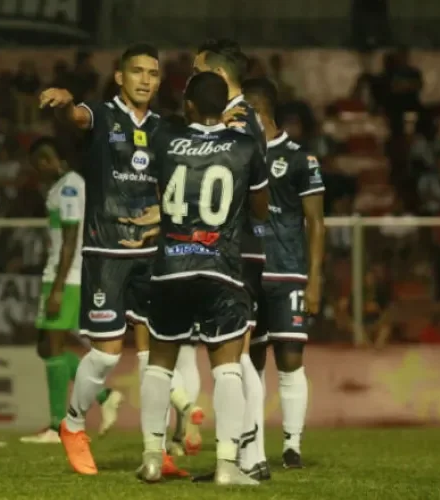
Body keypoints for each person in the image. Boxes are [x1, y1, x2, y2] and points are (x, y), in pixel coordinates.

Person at [38, 43, 187, 477]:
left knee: (153, 356)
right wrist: (65, 104)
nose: (145, 79)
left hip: (153, 252)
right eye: (137, 71)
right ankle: (73, 424)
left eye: (153, 73)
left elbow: (175, 182)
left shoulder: (164, 128)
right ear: (120, 77)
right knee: (104, 356)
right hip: (107, 252)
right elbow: (75, 118)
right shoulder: (101, 115)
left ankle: (155, 453)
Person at [134, 71, 269, 486]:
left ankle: (153, 458)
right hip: (221, 269)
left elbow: (158, 193)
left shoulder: (164, 141)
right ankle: (228, 465)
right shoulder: (246, 146)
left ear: (189, 105)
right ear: (224, 106)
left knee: (159, 364)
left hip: (171, 267)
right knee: (226, 368)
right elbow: (260, 210)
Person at [18, 137, 124, 445]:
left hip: (67, 277)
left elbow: (70, 237)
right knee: (46, 347)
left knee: (52, 346)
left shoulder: (68, 187)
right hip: (65, 275)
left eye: (45, 159)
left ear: (56, 160)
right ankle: (105, 395)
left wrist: (59, 287)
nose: (41, 166)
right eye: (38, 161)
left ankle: (56, 426)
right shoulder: (64, 186)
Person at [243, 77, 325, 470]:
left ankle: (292, 445)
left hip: (289, 272)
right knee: (252, 361)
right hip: (250, 272)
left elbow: (317, 223)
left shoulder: (299, 158)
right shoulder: (241, 154)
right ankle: (254, 442)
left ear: (260, 112)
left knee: (290, 357)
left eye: (244, 112)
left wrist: (316, 280)